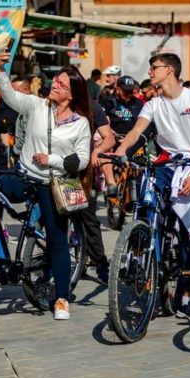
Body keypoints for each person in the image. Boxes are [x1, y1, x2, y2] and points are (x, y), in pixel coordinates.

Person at [114, 52, 190, 318]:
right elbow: (137, 131)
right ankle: (140, 258)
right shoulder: (153, 104)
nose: (149, 72)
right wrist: (121, 149)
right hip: (165, 164)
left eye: (154, 67)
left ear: (169, 70)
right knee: (146, 204)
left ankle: (188, 290)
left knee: (189, 229)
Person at [0, 60, 91, 321]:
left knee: (57, 242)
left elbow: (82, 159)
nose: (54, 84)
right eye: (55, 80)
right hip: (26, 176)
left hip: (54, 184)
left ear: (71, 94)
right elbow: (9, 96)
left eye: (61, 83)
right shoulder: (37, 105)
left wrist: (52, 160)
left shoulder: (80, 123)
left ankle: (61, 298)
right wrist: (1, 70)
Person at [75, 100, 116, 284]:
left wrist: (97, 151)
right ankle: (50, 267)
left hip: (85, 171)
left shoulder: (92, 106)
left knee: (88, 220)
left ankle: (101, 266)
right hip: (59, 168)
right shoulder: (51, 106)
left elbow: (109, 138)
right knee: (55, 221)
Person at [101, 76, 143, 196]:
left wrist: (130, 138)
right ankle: (112, 184)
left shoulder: (138, 103)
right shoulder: (108, 101)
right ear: (118, 89)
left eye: (131, 91)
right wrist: (113, 134)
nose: (129, 94)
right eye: (126, 91)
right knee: (105, 154)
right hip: (114, 136)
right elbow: (104, 123)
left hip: (132, 139)